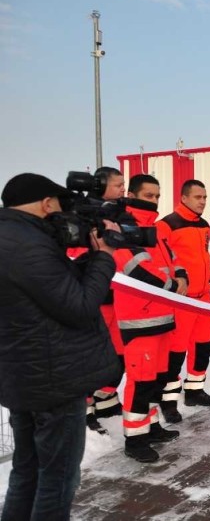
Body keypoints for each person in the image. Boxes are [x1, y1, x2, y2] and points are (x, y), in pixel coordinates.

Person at [0, 173, 120, 519]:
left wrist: (82, 262)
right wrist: (103, 258)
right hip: (53, 378)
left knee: (27, 470)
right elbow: (80, 306)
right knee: (58, 477)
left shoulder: (13, 238)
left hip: (21, 374)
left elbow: (48, 290)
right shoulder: (29, 244)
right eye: (57, 204)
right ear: (46, 203)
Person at [113, 174, 184, 462]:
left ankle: (151, 426)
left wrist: (181, 276)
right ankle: (135, 439)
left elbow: (173, 258)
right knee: (140, 382)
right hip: (139, 319)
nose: (154, 200)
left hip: (163, 315)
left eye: (157, 195)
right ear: (132, 194)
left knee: (156, 379)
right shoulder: (121, 227)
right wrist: (172, 286)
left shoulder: (154, 229)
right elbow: (133, 267)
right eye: (148, 195)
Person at [156, 179, 210, 422]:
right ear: (183, 198)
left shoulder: (204, 225)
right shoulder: (166, 226)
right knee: (175, 352)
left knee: (204, 346)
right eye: (197, 197)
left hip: (203, 297)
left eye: (204, 197)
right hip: (180, 300)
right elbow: (160, 262)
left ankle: (194, 390)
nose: (202, 201)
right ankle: (168, 399)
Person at [83, 166, 127, 433]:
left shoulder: (122, 214)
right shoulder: (85, 216)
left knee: (118, 353)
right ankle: (85, 408)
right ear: (101, 186)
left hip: (121, 296)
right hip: (97, 297)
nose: (123, 189)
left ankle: (107, 398)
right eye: (118, 184)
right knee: (92, 354)